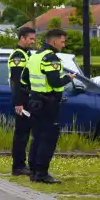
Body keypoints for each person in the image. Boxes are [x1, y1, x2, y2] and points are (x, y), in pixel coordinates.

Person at [26, 28, 78, 184]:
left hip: (35, 100)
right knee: (48, 138)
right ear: (54, 41)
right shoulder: (51, 58)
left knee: (36, 137)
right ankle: (42, 173)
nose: (64, 44)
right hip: (48, 103)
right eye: (62, 41)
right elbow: (55, 82)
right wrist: (68, 78)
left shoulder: (35, 57)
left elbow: (25, 79)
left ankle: (34, 171)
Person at [9, 27, 38, 176]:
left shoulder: (26, 54)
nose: (33, 41)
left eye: (34, 39)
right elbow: (16, 81)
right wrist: (19, 103)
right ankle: (18, 166)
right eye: (30, 39)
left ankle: (21, 164)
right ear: (22, 38)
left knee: (25, 133)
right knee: (21, 134)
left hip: (27, 98)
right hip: (23, 100)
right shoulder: (18, 56)